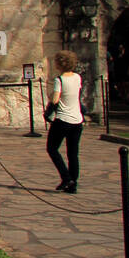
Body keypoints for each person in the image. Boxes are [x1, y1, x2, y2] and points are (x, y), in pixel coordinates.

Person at [47, 50, 84, 193]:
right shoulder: (77, 77)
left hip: (63, 119)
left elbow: (55, 99)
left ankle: (66, 178)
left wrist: (52, 95)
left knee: (52, 148)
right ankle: (73, 182)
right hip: (77, 120)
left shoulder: (59, 80)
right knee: (73, 153)